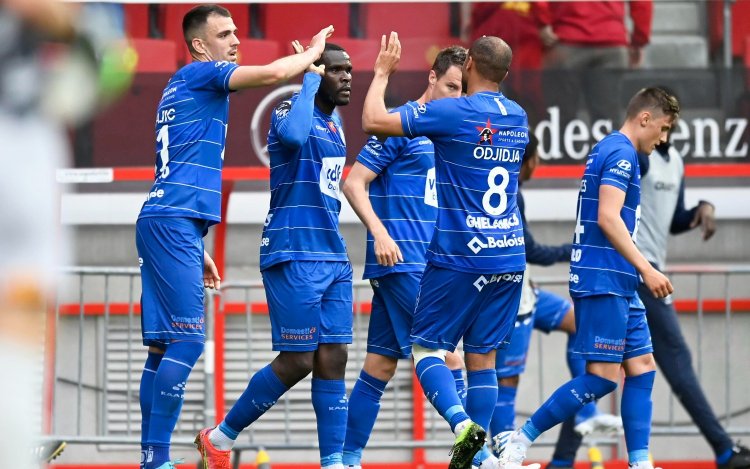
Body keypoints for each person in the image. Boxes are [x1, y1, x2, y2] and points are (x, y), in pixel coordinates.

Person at [135, 5, 334, 469]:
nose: (236, 40)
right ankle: (158, 461)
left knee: (163, 346)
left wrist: (196, 243)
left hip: (170, 220)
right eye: (225, 34)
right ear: (200, 45)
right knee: (185, 342)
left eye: (237, 31)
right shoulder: (201, 73)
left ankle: (152, 459)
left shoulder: (184, 85)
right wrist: (313, 56)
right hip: (172, 222)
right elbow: (274, 72)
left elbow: (178, 163)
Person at [363, 33, 537, 469]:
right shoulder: (518, 116)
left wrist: (382, 72)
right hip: (509, 255)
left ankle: (464, 429)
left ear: (472, 65)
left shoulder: (454, 111)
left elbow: (372, 121)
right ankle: (483, 462)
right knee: (484, 358)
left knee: (427, 351)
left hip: (461, 255)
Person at [496, 87, 680, 469]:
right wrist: (647, 267)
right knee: (600, 378)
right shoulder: (621, 153)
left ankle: (640, 463)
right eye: (663, 129)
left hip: (618, 278)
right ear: (644, 119)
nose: (663, 140)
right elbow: (608, 218)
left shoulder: (610, 148)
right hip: (603, 279)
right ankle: (522, 437)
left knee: (643, 366)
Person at [194, 42, 354, 469]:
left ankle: (334, 462)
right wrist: (307, 79)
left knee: (334, 357)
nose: (347, 77)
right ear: (318, 74)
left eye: (349, 70)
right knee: (299, 359)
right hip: (292, 251)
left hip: (333, 253)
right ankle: (220, 436)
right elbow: (295, 137)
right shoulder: (289, 111)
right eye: (336, 71)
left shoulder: (336, 122)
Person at [0, 1, 133, 468]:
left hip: (24, 146)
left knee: (19, 320)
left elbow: (113, 60)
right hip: (22, 147)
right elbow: (110, 59)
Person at [340, 45, 468, 469]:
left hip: (426, 264)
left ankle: (346, 460)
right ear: (432, 78)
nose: (456, 96)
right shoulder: (402, 124)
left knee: (379, 365)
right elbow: (354, 183)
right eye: (450, 85)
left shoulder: (447, 134)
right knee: (447, 354)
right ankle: (476, 451)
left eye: (462, 90)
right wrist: (379, 234)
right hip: (401, 260)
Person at [489, 134, 623, 469]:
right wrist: (569, 251)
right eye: (538, 160)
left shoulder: (510, 190)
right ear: (529, 160)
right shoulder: (506, 191)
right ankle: (504, 456)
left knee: (580, 323)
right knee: (503, 381)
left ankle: (585, 416)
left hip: (526, 294)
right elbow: (529, 248)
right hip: (506, 298)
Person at [635, 126, 750, 469]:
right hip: (640, 271)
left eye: (671, 123)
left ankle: (564, 457)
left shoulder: (676, 162)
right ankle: (724, 451)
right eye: (663, 121)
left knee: (602, 370)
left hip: (650, 271)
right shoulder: (636, 157)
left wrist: (702, 208)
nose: (666, 129)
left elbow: (673, 221)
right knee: (676, 359)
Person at [534, 0, 653, 124]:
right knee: (607, 119)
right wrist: (639, 39)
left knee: (559, 117)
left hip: (566, 39)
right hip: (611, 42)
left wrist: (543, 21)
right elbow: (642, 4)